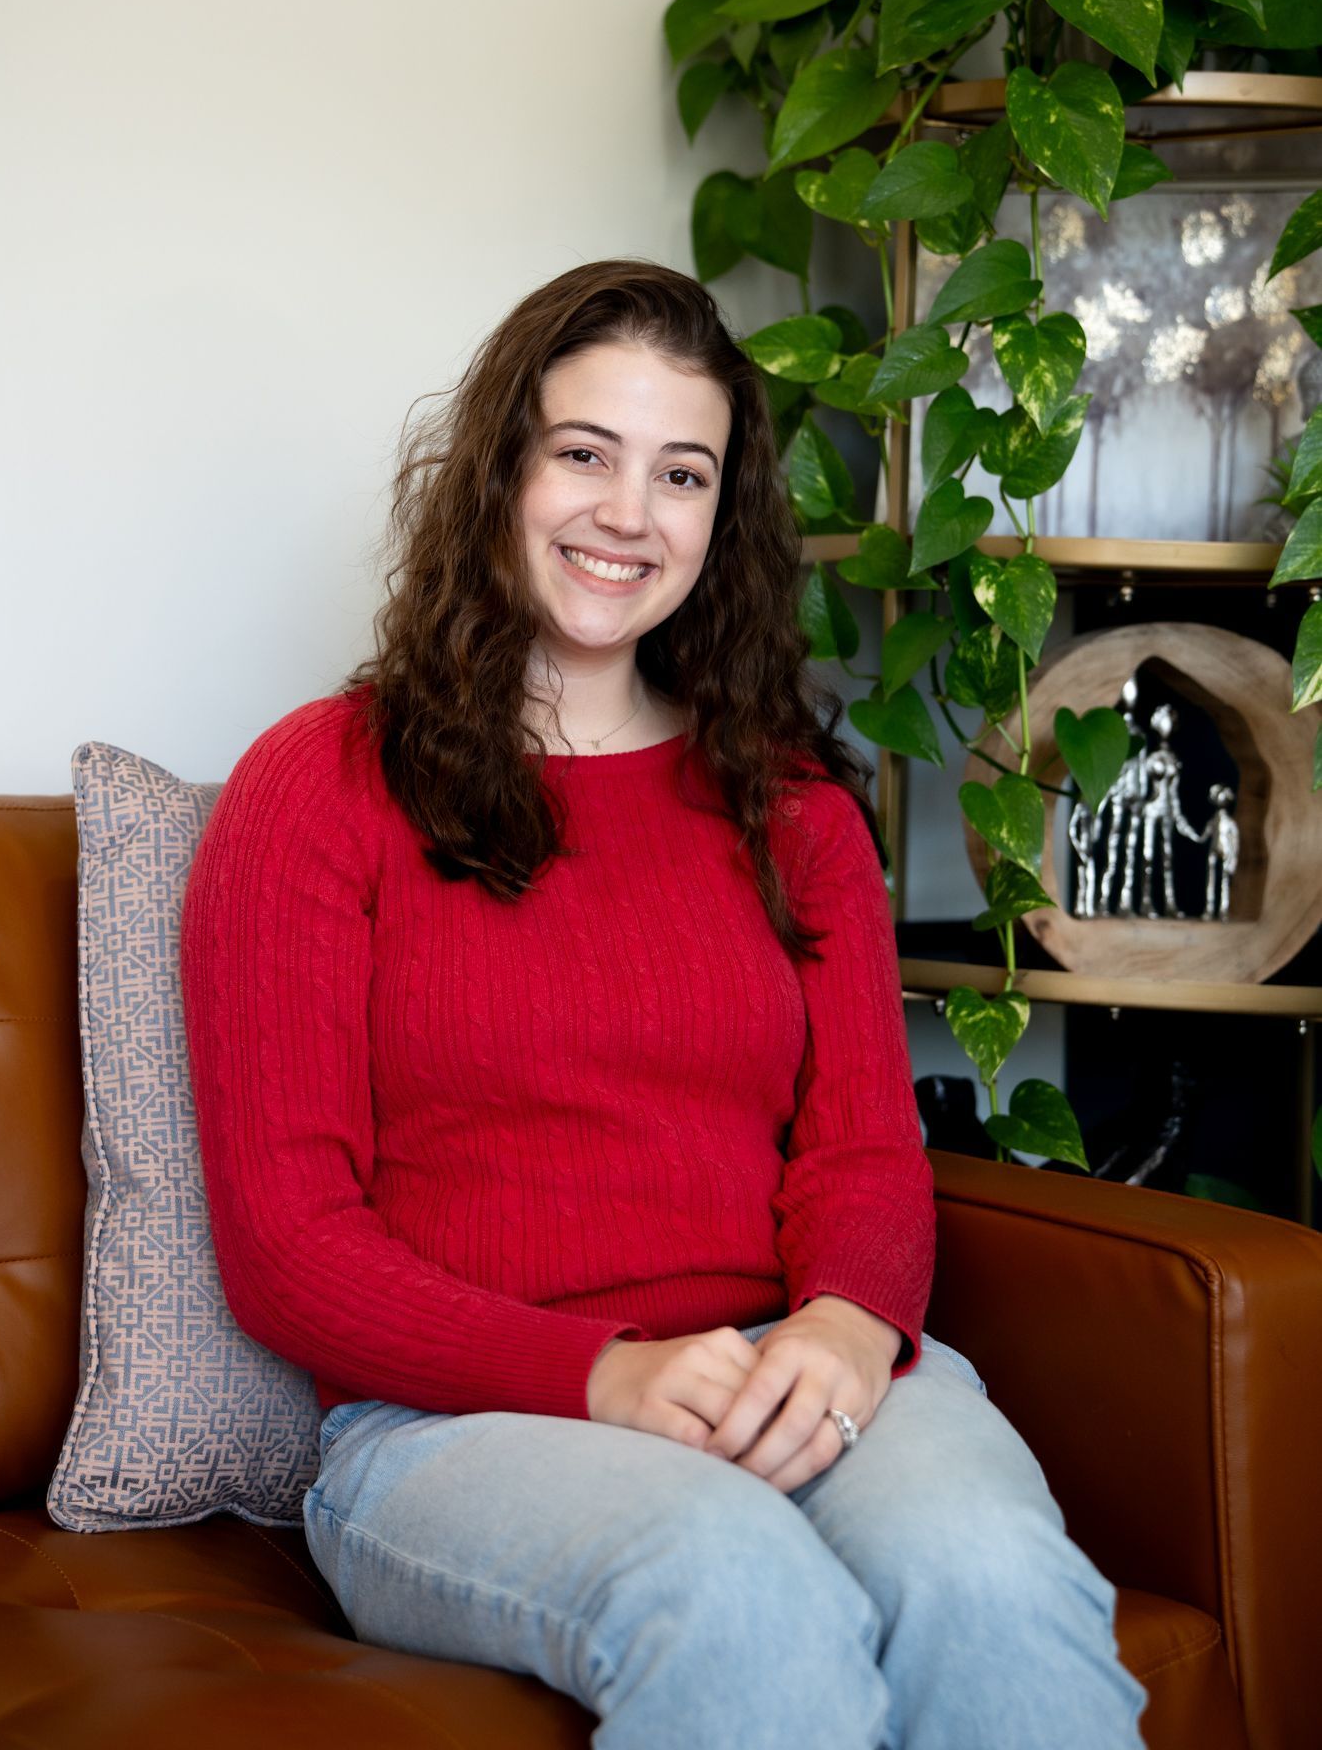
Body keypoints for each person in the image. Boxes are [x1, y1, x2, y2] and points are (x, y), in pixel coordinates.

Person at [179, 260, 1149, 1749]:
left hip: (784, 1359)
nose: (628, 514)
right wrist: (602, 1374)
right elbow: (290, 1254)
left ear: (722, 518)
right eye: (583, 454)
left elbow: (863, 1157)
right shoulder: (318, 785)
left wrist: (838, 1326)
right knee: (736, 1590)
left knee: (994, 1580)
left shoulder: (793, 807)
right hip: (457, 1429)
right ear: (499, 469)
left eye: (679, 473)